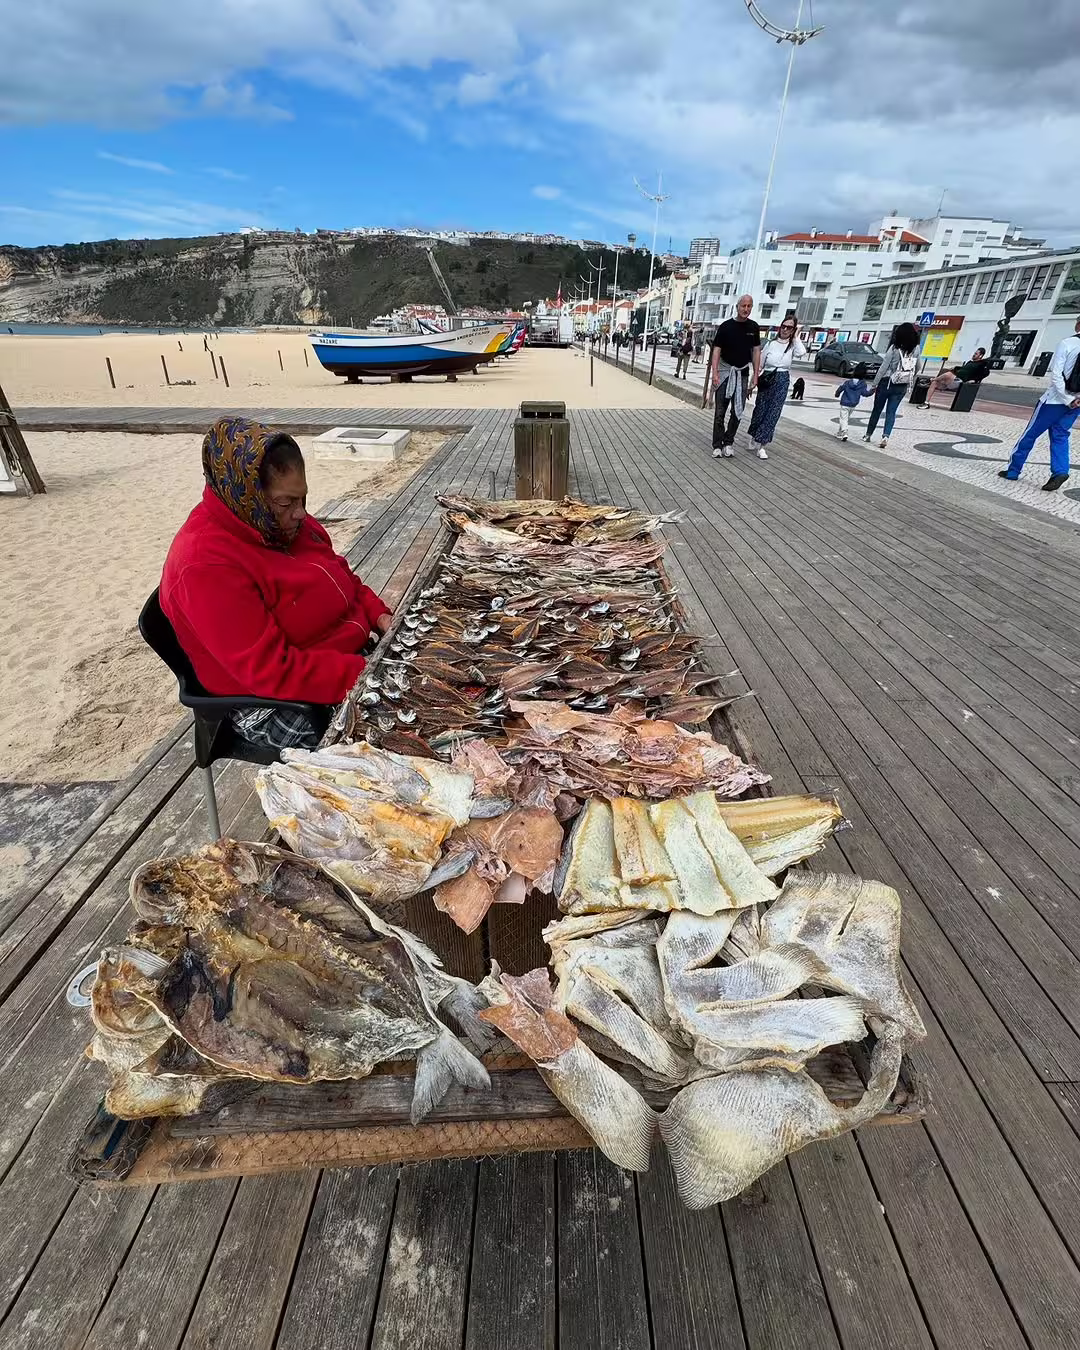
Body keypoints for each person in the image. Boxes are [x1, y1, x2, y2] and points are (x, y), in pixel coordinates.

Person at [160, 417, 392, 751]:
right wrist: (370, 672)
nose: (300, 514)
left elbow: (343, 576)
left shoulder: (277, 522)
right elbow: (273, 672)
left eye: (302, 499)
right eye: (286, 503)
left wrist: (379, 614)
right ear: (247, 495)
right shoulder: (204, 565)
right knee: (410, 741)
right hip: (272, 703)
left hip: (341, 662)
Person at [999, 315, 1080, 491]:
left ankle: (1013, 471)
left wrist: (1066, 398)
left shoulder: (1068, 343)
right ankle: (1060, 471)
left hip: (1054, 401)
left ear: (1078, 324)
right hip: (1076, 404)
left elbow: (1056, 375)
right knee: (1060, 435)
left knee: (1030, 434)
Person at [708, 294, 762, 458]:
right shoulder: (726, 327)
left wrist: (755, 375)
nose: (746, 309)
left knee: (738, 411)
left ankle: (728, 442)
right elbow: (716, 350)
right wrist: (715, 373)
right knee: (720, 411)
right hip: (725, 372)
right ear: (737, 307)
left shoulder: (753, 328)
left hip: (742, 373)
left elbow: (756, 351)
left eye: (749, 306)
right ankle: (717, 444)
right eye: (743, 306)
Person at [746, 315, 808, 458]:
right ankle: (753, 435)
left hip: (781, 379)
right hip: (767, 377)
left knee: (773, 412)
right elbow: (760, 364)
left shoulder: (792, 345)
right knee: (760, 409)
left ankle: (762, 444)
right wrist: (752, 382)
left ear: (793, 330)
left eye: (789, 327)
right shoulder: (771, 344)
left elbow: (802, 352)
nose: (785, 330)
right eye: (784, 326)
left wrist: (796, 337)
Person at [863, 322, 921, 448]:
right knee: (891, 411)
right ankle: (885, 436)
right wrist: (909, 375)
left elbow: (884, 367)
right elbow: (918, 367)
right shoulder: (916, 349)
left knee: (877, 410)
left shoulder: (894, 348)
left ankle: (868, 434)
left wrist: (874, 384)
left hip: (887, 382)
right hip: (901, 385)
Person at [922, 347, 991, 402]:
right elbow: (963, 369)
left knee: (948, 374)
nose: (973, 354)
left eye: (976, 354)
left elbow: (985, 373)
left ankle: (932, 379)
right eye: (974, 353)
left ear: (981, 356)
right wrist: (955, 368)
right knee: (935, 383)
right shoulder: (970, 362)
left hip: (959, 382)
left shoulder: (981, 364)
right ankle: (926, 402)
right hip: (951, 381)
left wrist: (974, 380)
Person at [833, 373, 873, 441]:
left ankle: (844, 432)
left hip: (845, 403)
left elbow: (840, 388)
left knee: (843, 419)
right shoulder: (862, 384)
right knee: (845, 418)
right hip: (853, 404)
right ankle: (840, 433)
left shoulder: (848, 382)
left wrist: (837, 394)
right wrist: (872, 391)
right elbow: (865, 393)